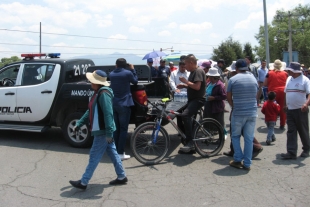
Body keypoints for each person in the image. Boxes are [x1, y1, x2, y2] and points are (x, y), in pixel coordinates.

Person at [69, 70, 127, 190]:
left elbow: (108, 114)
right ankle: (121, 176)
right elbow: (90, 111)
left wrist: (109, 133)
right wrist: (79, 123)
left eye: (91, 80)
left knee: (94, 156)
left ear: (96, 82)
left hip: (103, 131)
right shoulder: (97, 93)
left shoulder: (103, 94)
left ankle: (84, 182)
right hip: (104, 130)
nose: (90, 81)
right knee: (113, 153)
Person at [223, 62, 263, 159]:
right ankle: (247, 161)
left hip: (238, 110)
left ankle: (237, 157)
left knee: (235, 135)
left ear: (236, 69)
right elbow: (259, 91)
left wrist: (233, 106)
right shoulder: (253, 78)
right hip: (251, 111)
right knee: (248, 137)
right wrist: (253, 103)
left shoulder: (233, 79)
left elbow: (228, 97)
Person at [109, 58, 138, 160]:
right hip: (124, 104)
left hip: (114, 104)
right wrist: (133, 69)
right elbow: (135, 82)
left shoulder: (111, 74)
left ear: (116, 65)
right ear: (125, 65)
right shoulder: (127, 73)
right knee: (123, 129)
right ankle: (120, 153)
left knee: (116, 129)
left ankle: (116, 151)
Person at [177, 54, 206, 153]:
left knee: (185, 115)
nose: (185, 66)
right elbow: (193, 85)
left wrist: (185, 81)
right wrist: (184, 86)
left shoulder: (198, 71)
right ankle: (188, 141)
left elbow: (197, 87)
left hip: (198, 99)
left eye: (186, 64)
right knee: (180, 112)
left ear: (191, 63)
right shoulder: (193, 72)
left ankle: (190, 141)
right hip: (192, 99)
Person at [281, 62, 310, 159]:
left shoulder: (305, 80)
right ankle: (291, 152)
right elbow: (286, 92)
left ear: (295, 71)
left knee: (303, 130)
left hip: (300, 110)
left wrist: (306, 104)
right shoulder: (289, 79)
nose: (288, 71)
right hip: (290, 109)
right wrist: (285, 104)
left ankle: (306, 149)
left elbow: (309, 94)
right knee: (291, 131)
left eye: (290, 70)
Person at [263, 59, 288, 130]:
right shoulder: (285, 73)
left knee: (272, 108)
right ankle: (282, 124)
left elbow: (265, 83)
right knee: (283, 107)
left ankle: (272, 122)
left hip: (272, 92)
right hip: (283, 92)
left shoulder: (269, 73)